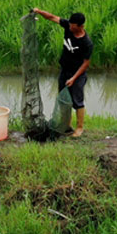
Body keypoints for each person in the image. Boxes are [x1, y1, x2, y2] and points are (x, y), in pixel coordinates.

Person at [31, 8, 92, 137]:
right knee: (64, 99)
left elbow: (86, 64)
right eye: (69, 24)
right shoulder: (68, 27)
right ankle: (66, 125)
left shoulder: (86, 43)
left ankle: (79, 128)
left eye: (73, 26)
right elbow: (52, 17)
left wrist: (74, 78)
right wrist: (39, 11)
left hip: (77, 75)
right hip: (64, 71)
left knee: (77, 101)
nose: (70, 27)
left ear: (80, 26)